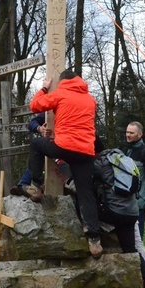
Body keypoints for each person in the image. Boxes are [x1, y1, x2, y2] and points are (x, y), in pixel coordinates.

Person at [26, 69, 102, 258]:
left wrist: (44, 89)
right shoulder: (90, 99)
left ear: (62, 82)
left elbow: (34, 105)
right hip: (85, 151)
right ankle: (94, 239)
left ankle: (36, 186)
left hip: (64, 146)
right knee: (86, 193)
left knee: (36, 144)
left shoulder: (60, 93)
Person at [93, 147, 145, 288]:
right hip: (131, 212)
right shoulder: (120, 158)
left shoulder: (99, 164)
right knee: (130, 249)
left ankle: (93, 237)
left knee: (86, 206)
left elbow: (85, 187)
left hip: (114, 213)